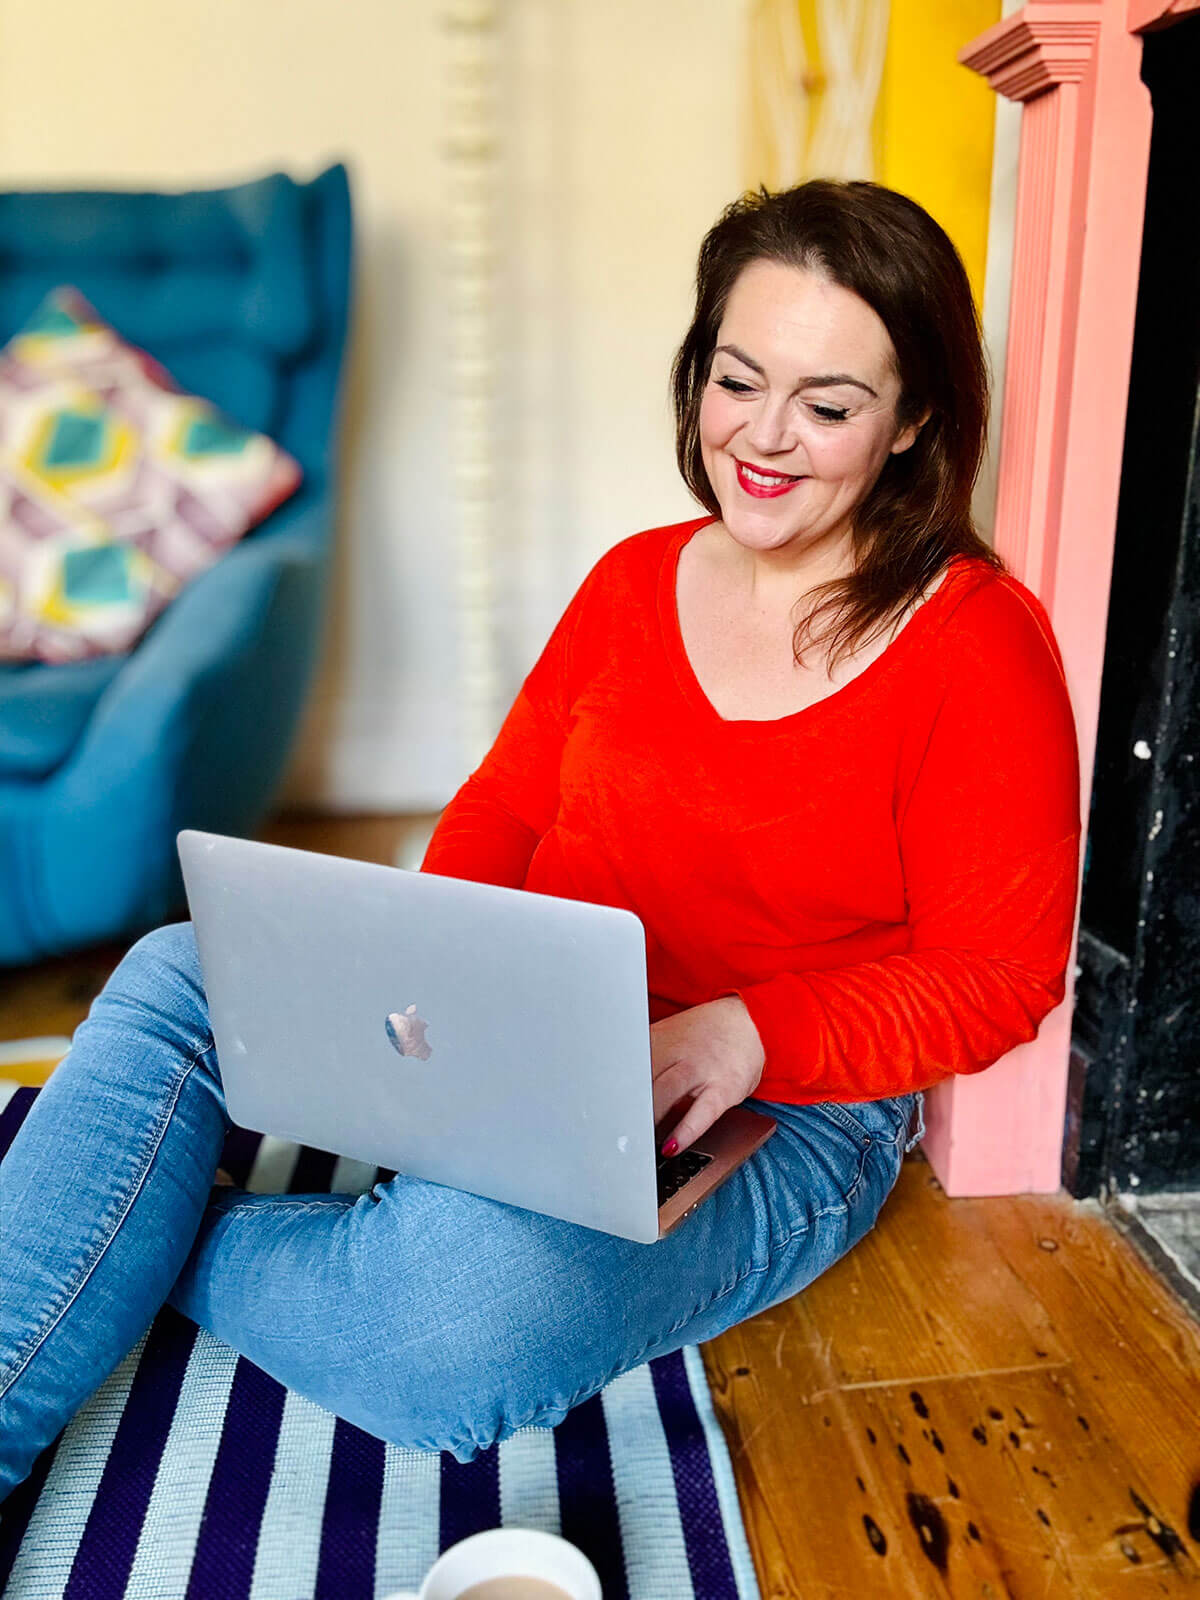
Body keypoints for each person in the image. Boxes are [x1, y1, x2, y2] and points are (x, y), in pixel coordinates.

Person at [0, 180, 1080, 1496]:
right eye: (739, 380)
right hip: (526, 1023)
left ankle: (139, 1223)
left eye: (830, 405)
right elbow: (507, 810)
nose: (766, 438)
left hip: (775, 1111)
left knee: (446, 1331)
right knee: (178, 970)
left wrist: (743, 1032)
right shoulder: (637, 577)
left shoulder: (978, 647)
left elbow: (998, 976)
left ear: (914, 422)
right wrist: (431, 998)